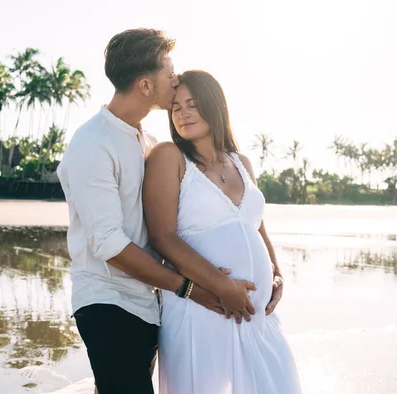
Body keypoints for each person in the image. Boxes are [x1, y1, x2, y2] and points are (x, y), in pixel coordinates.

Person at [57, 29, 257, 394]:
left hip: (150, 304)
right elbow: (109, 245)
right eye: (169, 72)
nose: (175, 78)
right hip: (109, 304)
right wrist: (190, 288)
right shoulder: (93, 144)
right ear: (147, 86)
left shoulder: (145, 141)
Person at [143, 70, 301, 394]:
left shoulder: (241, 161)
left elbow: (257, 228)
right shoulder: (169, 157)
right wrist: (223, 286)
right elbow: (162, 238)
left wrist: (277, 274)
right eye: (176, 107)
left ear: (215, 106)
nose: (183, 114)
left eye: (193, 104)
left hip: (256, 316)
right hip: (200, 309)